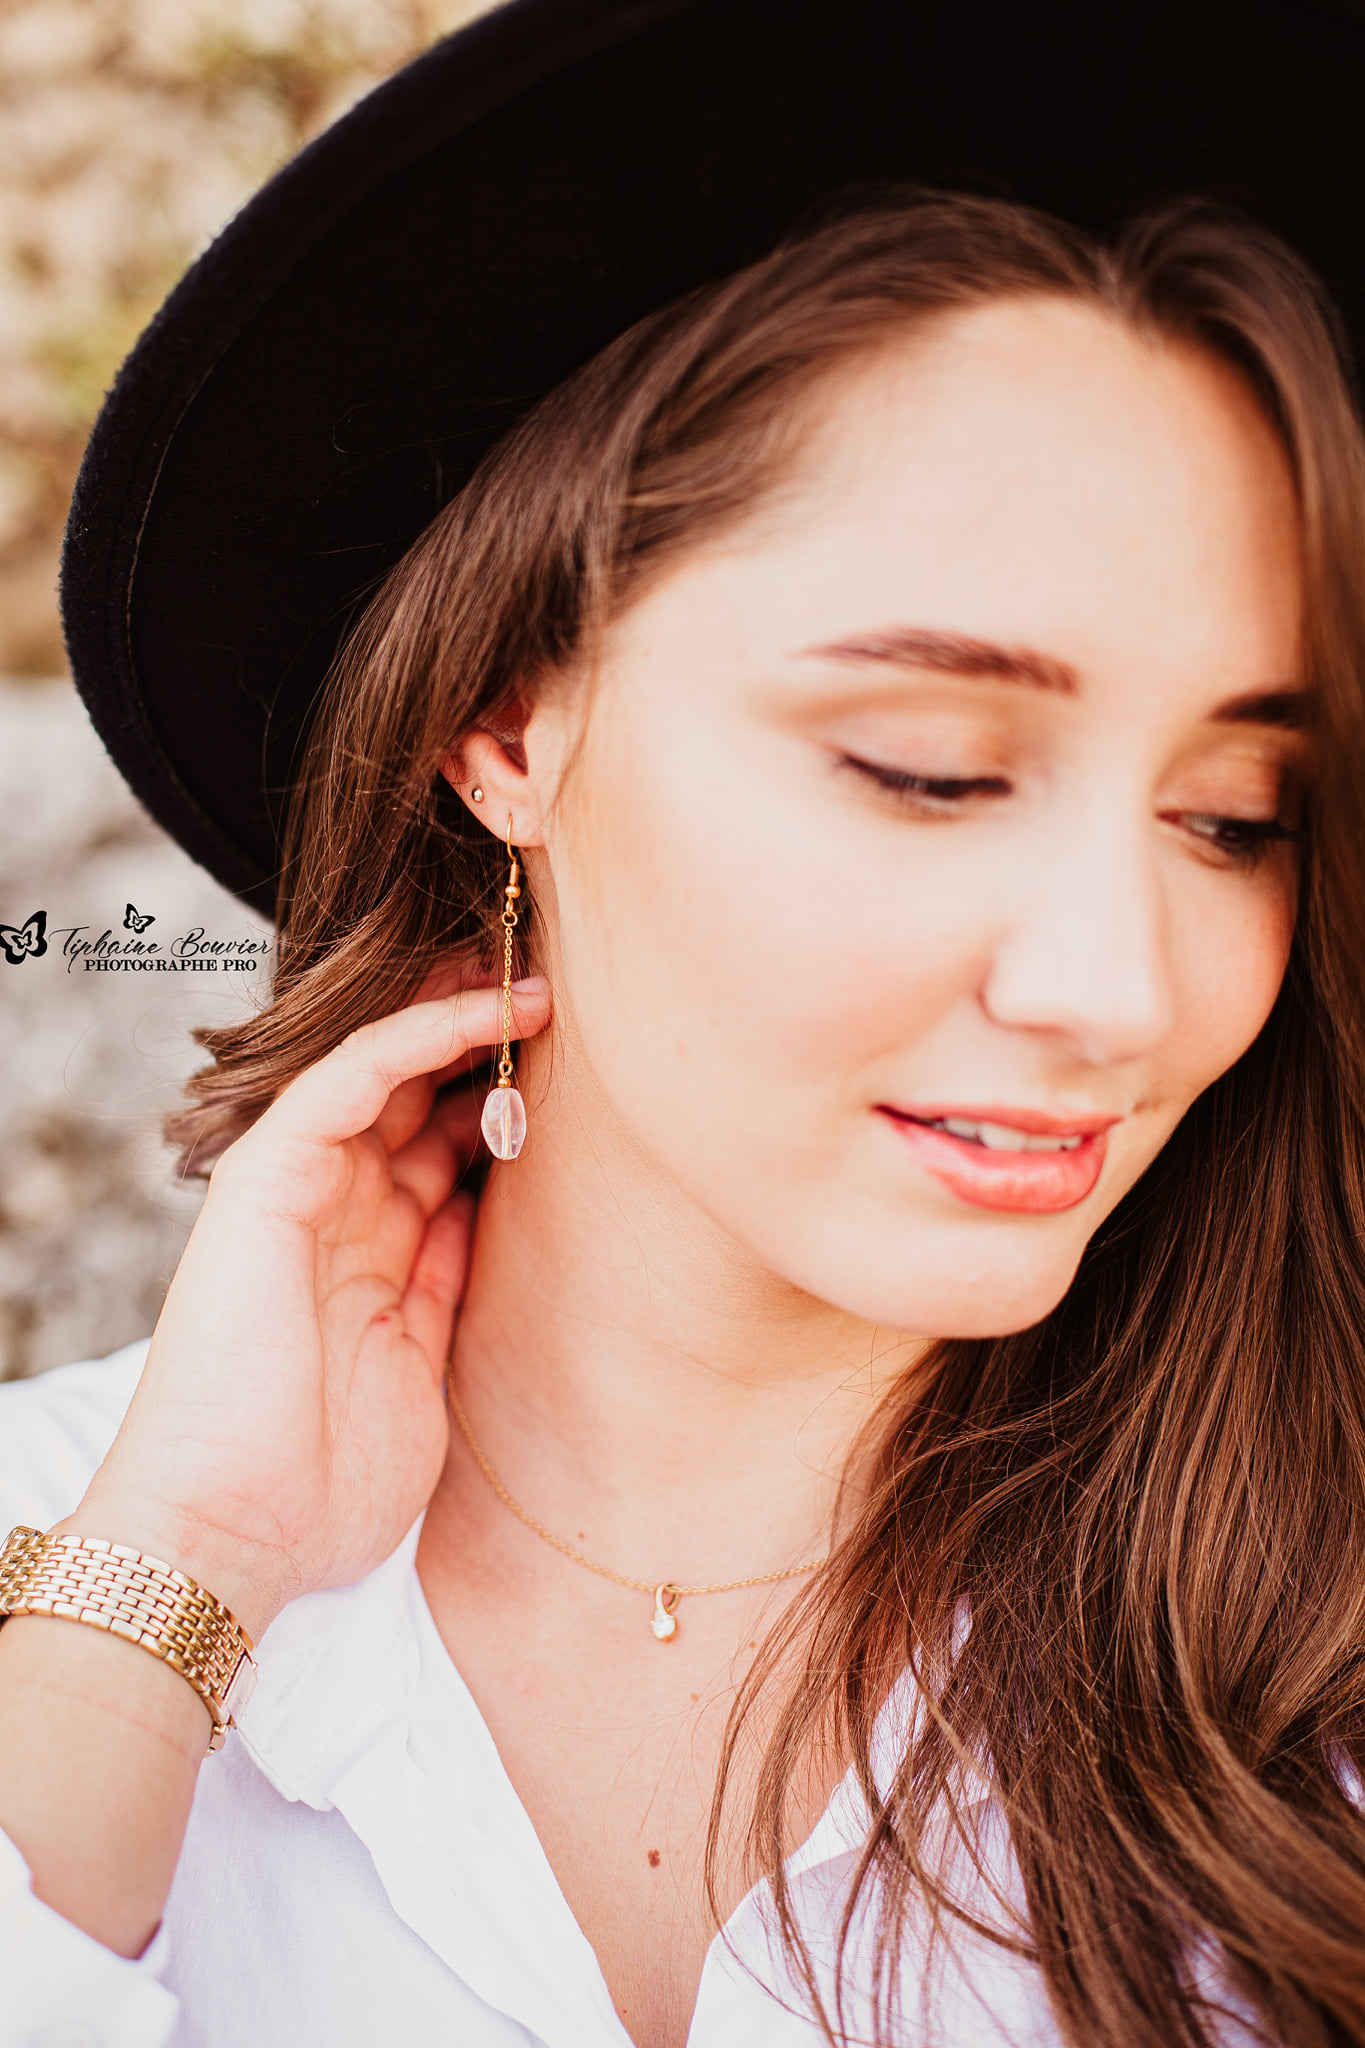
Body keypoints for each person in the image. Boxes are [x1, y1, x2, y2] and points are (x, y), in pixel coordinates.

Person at [4, 5, 1365, 2046]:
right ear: (508, 724)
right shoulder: (76, 1510)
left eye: (1228, 817)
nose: (1114, 984)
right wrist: (163, 1590)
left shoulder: (1305, 1657)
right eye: (924, 767)